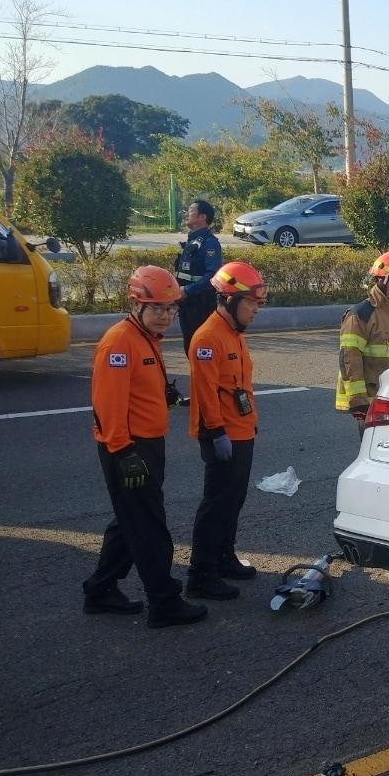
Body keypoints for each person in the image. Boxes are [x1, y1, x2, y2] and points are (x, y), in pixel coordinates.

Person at [83, 265, 207, 628]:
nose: (166, 316)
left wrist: (164, 394)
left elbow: (136, 389)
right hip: (129, 450)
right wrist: (124, 453)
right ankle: (164, 603)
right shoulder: (119, 343)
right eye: (158, 309)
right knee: (149, 526)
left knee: (129, 521)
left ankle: (100, 590)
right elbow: (107, 405)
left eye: (171, 309)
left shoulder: (145, 338)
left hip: (145, 445)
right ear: (136, 305)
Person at [186, 261, 266, 600]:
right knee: (216, 503)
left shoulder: (233, 333)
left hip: (241, 430)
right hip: (222, 435)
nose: (256, 311)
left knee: (234, 500)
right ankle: (200, 574)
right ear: (229, 299)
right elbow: (205, 395)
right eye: (251, 303)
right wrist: (216, 433)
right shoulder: (208, 338)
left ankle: (224, 556)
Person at [336, 251, 389, 425]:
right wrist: (358, 402)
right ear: (382, 281)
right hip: (373, 403)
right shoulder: (361, 314)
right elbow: (349, 358)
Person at [174, 199, 224, 357]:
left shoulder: (209, 243)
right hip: (187, 305)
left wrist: (187, 290)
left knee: (201, 349)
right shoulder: (192, 240)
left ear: (202, 217)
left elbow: (213, 276)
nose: (187, 213)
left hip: (200, 305)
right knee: (190, 346)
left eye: (191, 210)